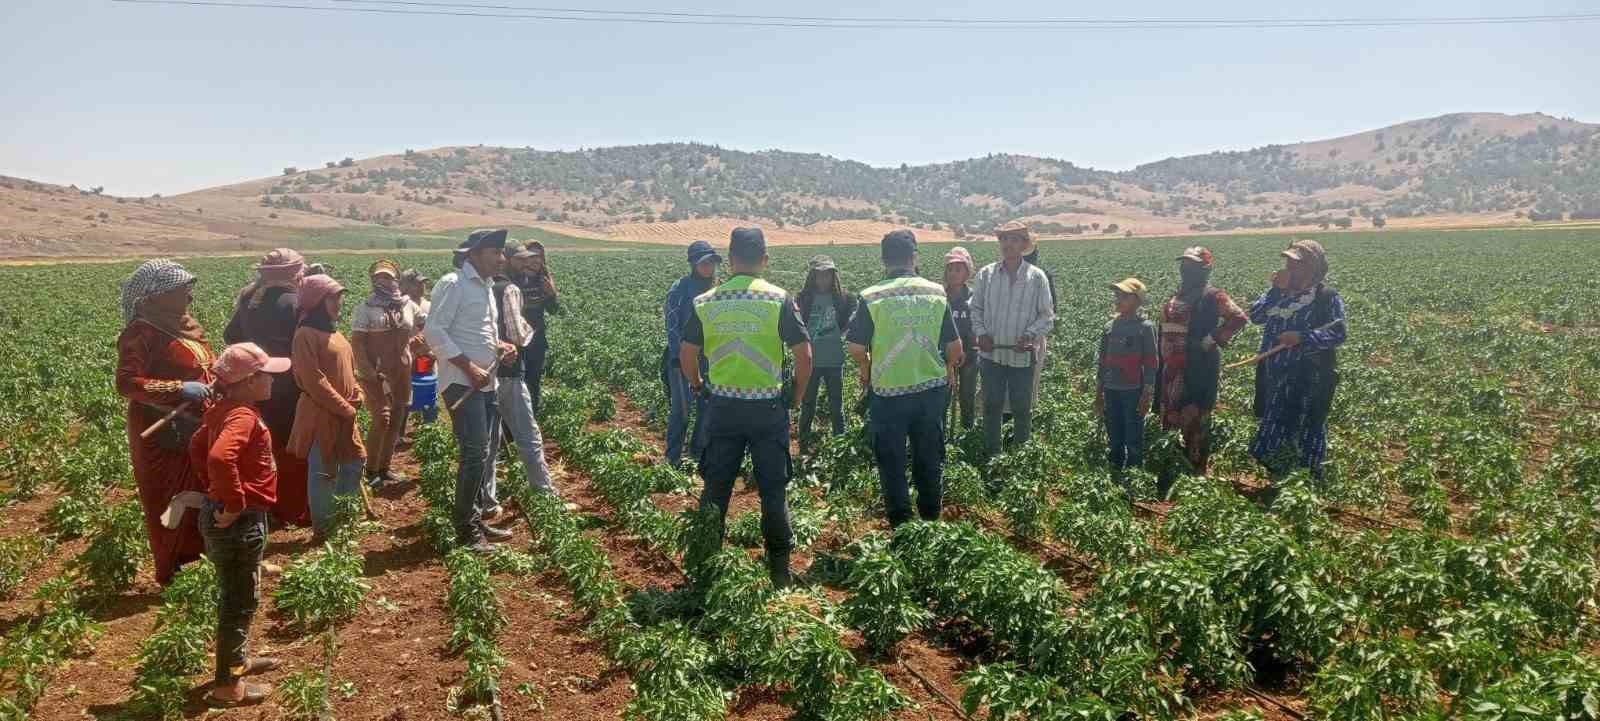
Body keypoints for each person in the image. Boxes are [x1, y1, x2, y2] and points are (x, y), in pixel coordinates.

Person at [679, 227, 811, 587]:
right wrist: (795, 396)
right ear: (764, 259)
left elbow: (687, 354)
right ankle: (779, 571)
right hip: (768, 408)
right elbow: (804, 355)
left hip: (723, 407)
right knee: (772, 488)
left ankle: (705, 567)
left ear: (731, 259)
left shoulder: (707, 301)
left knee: (717, 486)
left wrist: (698, 385)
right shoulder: (778, 298)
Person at [191, 343, 288, 708]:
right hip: (238, 520)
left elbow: (199, 446)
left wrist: (216, 490)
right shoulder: (242, 416)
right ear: (248, 381)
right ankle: (227, 687)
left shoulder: (224, 410)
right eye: (266, 374)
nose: (272, 380)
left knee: (240, 594)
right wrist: (232, 502)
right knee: (239, 603)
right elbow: (217, 456)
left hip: (235, 518)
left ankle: (239, 661)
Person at [848, 230, 963, 526]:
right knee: (929, 457)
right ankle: (930, 519)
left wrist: (866, 370)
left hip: (888, 393)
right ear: (914, 257)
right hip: (930, 391)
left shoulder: (872, 296)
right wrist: (948, 368)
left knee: (892, 460)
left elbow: (857, 347)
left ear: (884, 259)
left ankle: (902, 525)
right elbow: (955, 347)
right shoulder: (936, 292)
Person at [116, 259, 213, 587]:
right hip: (161, 429)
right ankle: (174, 568)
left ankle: (202, 559)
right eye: (181, 290)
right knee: (171, 495)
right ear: (154, 297)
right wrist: (177, 388)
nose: (189, 297)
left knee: (201, 488)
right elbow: (127, 383)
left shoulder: (185, 325)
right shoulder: (140, 332)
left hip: (196, 420)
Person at [426, 230, 519, 552]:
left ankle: (476, 520)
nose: (501, 258)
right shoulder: (454, 284)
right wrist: (469, 367)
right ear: (476, 254)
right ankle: (466, 530)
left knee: (483, 454)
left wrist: (500, 346)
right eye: (495, 252)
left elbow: (476, 332)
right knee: (474, 454)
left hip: (485, 383)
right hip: (463, 383)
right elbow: (434, 332)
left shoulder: (486, 286)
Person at [222, 249, 310, 527]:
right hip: (287, 382)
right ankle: (292, 508)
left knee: (263, 444)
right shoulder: (295, 302)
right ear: (294, 272)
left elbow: (230, 335)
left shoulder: (250, 298)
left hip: (253, 382)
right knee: (291, 446)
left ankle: (265, 503)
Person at [1248, 239, 1347, 483]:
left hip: (1308, 376)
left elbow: (1338, 332)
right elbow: (1256, 316)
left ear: (1312, 268)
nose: (1290, 268)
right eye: (1288, 263)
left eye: (1296, 264)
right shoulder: (1279, 294)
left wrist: (1302, 337)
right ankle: (1278, 478)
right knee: (1275, 421)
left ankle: (1308, 482)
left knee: (1307, 426)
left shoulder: (1326, 297)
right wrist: (1274, 290)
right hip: (1274, 373)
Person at [1157, 247, 1248, 478]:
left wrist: (1211, 339)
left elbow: (1238, 317)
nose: (1187, 270)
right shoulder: (1178, 294)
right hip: (1171, 367)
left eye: (1193, 266)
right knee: (1170, 414)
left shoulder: (1214, 295)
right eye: (1184, 265)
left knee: (1195, 415)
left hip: (1198, 366)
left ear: (1206, 269)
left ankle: (1195, 472)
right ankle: (1173, 466)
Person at [287, 274, 366, 539]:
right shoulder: (305, 334)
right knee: (324, 471)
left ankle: (344, 519)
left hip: (345, 411)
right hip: (322, 412)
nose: (338, 303)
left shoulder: (334, 331)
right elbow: (313, 380)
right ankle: (324, 529)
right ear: (317, 301)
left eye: (339, 297)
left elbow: (349, 371)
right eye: (333, 298)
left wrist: (357, 392)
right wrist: (343, 406)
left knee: (354, 462)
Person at [971, 221, 1056, 455]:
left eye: (1014, 239)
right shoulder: (986, 275)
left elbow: (1047, 316)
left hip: (1022, 357)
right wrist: (981, 333)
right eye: (1004, 239)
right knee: (991, 406)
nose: (1008, 244)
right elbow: (975, 309)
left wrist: (1030, 335)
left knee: (1022, 408)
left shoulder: (1037, 277)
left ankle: (1021, 456)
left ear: (1023, 245)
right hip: (992, 354)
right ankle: (992, 453)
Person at [489, 247, 561, 505]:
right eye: (519, 259)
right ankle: (542, 490)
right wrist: (525, 334)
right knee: (525, 429)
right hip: (510, 358)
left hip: (503, 360)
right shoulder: (507, 287)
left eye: (527, 260)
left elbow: (554, 308)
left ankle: (488, 497)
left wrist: (551, 294)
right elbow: (517, 332)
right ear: (507, 260)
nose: (524, 264)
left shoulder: (485, 286)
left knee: (530, 392)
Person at [350, 260, 419, 488]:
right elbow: (358, 343)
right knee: (382, 418)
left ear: (396, 279)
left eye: (388, 277)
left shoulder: (408, 305)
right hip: (377, 373)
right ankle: (370, 470)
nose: (384, 281)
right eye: (379, 277)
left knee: (397, 418)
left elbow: (430, 324)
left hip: (402, 369)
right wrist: (367, 370)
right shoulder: (366, 307)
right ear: (373, 280)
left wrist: (419, 345)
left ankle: (385, 468)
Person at [663, 240, 721, 469]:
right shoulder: (680, 288)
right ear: (693, 264)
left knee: (707, 408)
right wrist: (678, 356)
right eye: (703, 263)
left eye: (711, 263)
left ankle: (696, 454)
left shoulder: (718, 289)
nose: (708, 267)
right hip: (681, 358)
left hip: (710, 358)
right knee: (682, 410)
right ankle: (673, 458)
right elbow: (672, 324)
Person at [1096, 279, 1157, 485]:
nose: (1119, 299)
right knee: (1113, 429)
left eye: (1125, 296)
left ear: (1138, 301)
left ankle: (1134, 474)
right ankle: (1114, 468)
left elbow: (1150, 362)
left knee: (1133, 432)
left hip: (1133, 389)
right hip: (1111, 388)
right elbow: (1102, 362)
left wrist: (1147, 393)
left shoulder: (1144, 328)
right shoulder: (1109, 327)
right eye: (1117, 296)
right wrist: (1099, 392)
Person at [795, 254, 856, 455]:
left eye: (827, 275)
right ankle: (804, 443)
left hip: (834, 359)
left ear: (833, 276)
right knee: (808, 403)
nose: (823, 279)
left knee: (836, 405)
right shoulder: (803, 298)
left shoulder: (844, 299)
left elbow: (850, 321)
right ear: (812, 276)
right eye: (819, 275)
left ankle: (840, 445)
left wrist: (841, 333)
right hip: (811, 360)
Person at [514, 240, 560, 416]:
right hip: (518, 338)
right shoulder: (516, 278)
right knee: (518, 380)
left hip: (537, 338)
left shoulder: (544, 279)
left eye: (539, 257)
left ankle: (532, 417)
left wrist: (551, 294)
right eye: (532, 256)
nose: (535, 260)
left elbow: (553, 310)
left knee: (534, 381)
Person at [943, 247, 980, 429]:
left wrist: (964, 350)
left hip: (970, 356)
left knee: (967, 397)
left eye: (958, 269)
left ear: (967, 272)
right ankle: (939, 437)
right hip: (943, 357)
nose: (953, 273)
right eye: (950, 269)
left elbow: (976, 327)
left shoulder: (973, 298)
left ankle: (967, 433)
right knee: (943, 398)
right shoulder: (940, 297)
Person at [397, 269, 434, 436]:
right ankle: (399, 434)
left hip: (428, 357)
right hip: (407, 358)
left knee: (428, 393)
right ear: (405, 286)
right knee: (404, 396)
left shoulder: (429, 305)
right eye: (417, 284)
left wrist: (433, 352)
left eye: (423, 283)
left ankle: (429, 431)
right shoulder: (400, 307)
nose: (421, 286)